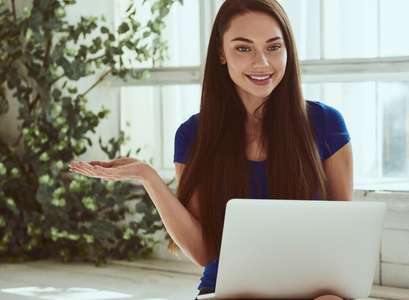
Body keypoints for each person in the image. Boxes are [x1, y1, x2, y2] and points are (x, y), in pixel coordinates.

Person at [69, 0, 353, 299]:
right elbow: (205, 253)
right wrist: (148, 177)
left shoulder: (326, 124)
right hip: (229, 289)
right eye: (244, 48)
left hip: (310, 289)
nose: (262, 63)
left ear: (288, 51)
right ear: (221, 53)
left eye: (273, 47)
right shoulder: (193, 135)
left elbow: (338, 238)